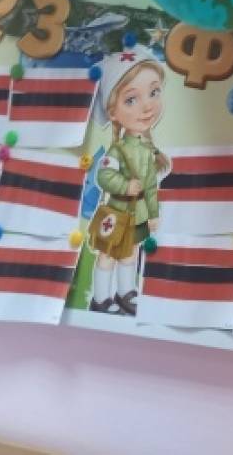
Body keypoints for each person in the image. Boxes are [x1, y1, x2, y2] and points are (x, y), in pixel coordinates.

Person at [88, 48, 169, 316]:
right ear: (113, 112)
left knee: (131, 252)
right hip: (118, 214)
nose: (147, 106)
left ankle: (126, 292)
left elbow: (151, 187)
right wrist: (125, 186)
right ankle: (101, 298)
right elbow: (104, 176)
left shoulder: (147, 150)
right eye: (132, 99)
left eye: (154, 92)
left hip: (139, 215)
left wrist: (153, 214)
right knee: (109, 254)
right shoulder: (118, 150)